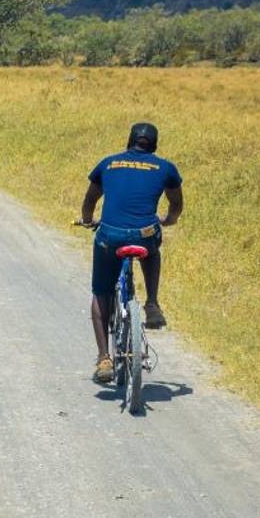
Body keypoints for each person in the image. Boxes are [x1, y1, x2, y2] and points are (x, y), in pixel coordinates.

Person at [78, 122, 183, 384]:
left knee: (102, 292)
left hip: (110, 236)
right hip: (144, 235)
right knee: (152, 249)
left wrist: (88, 219)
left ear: (129, 141)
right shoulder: (165, 168)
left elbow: (91, 200)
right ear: (154, 145)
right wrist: (169, 219)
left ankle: (104, 358)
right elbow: (176, 204)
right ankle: (152, 303)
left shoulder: (109, 164)